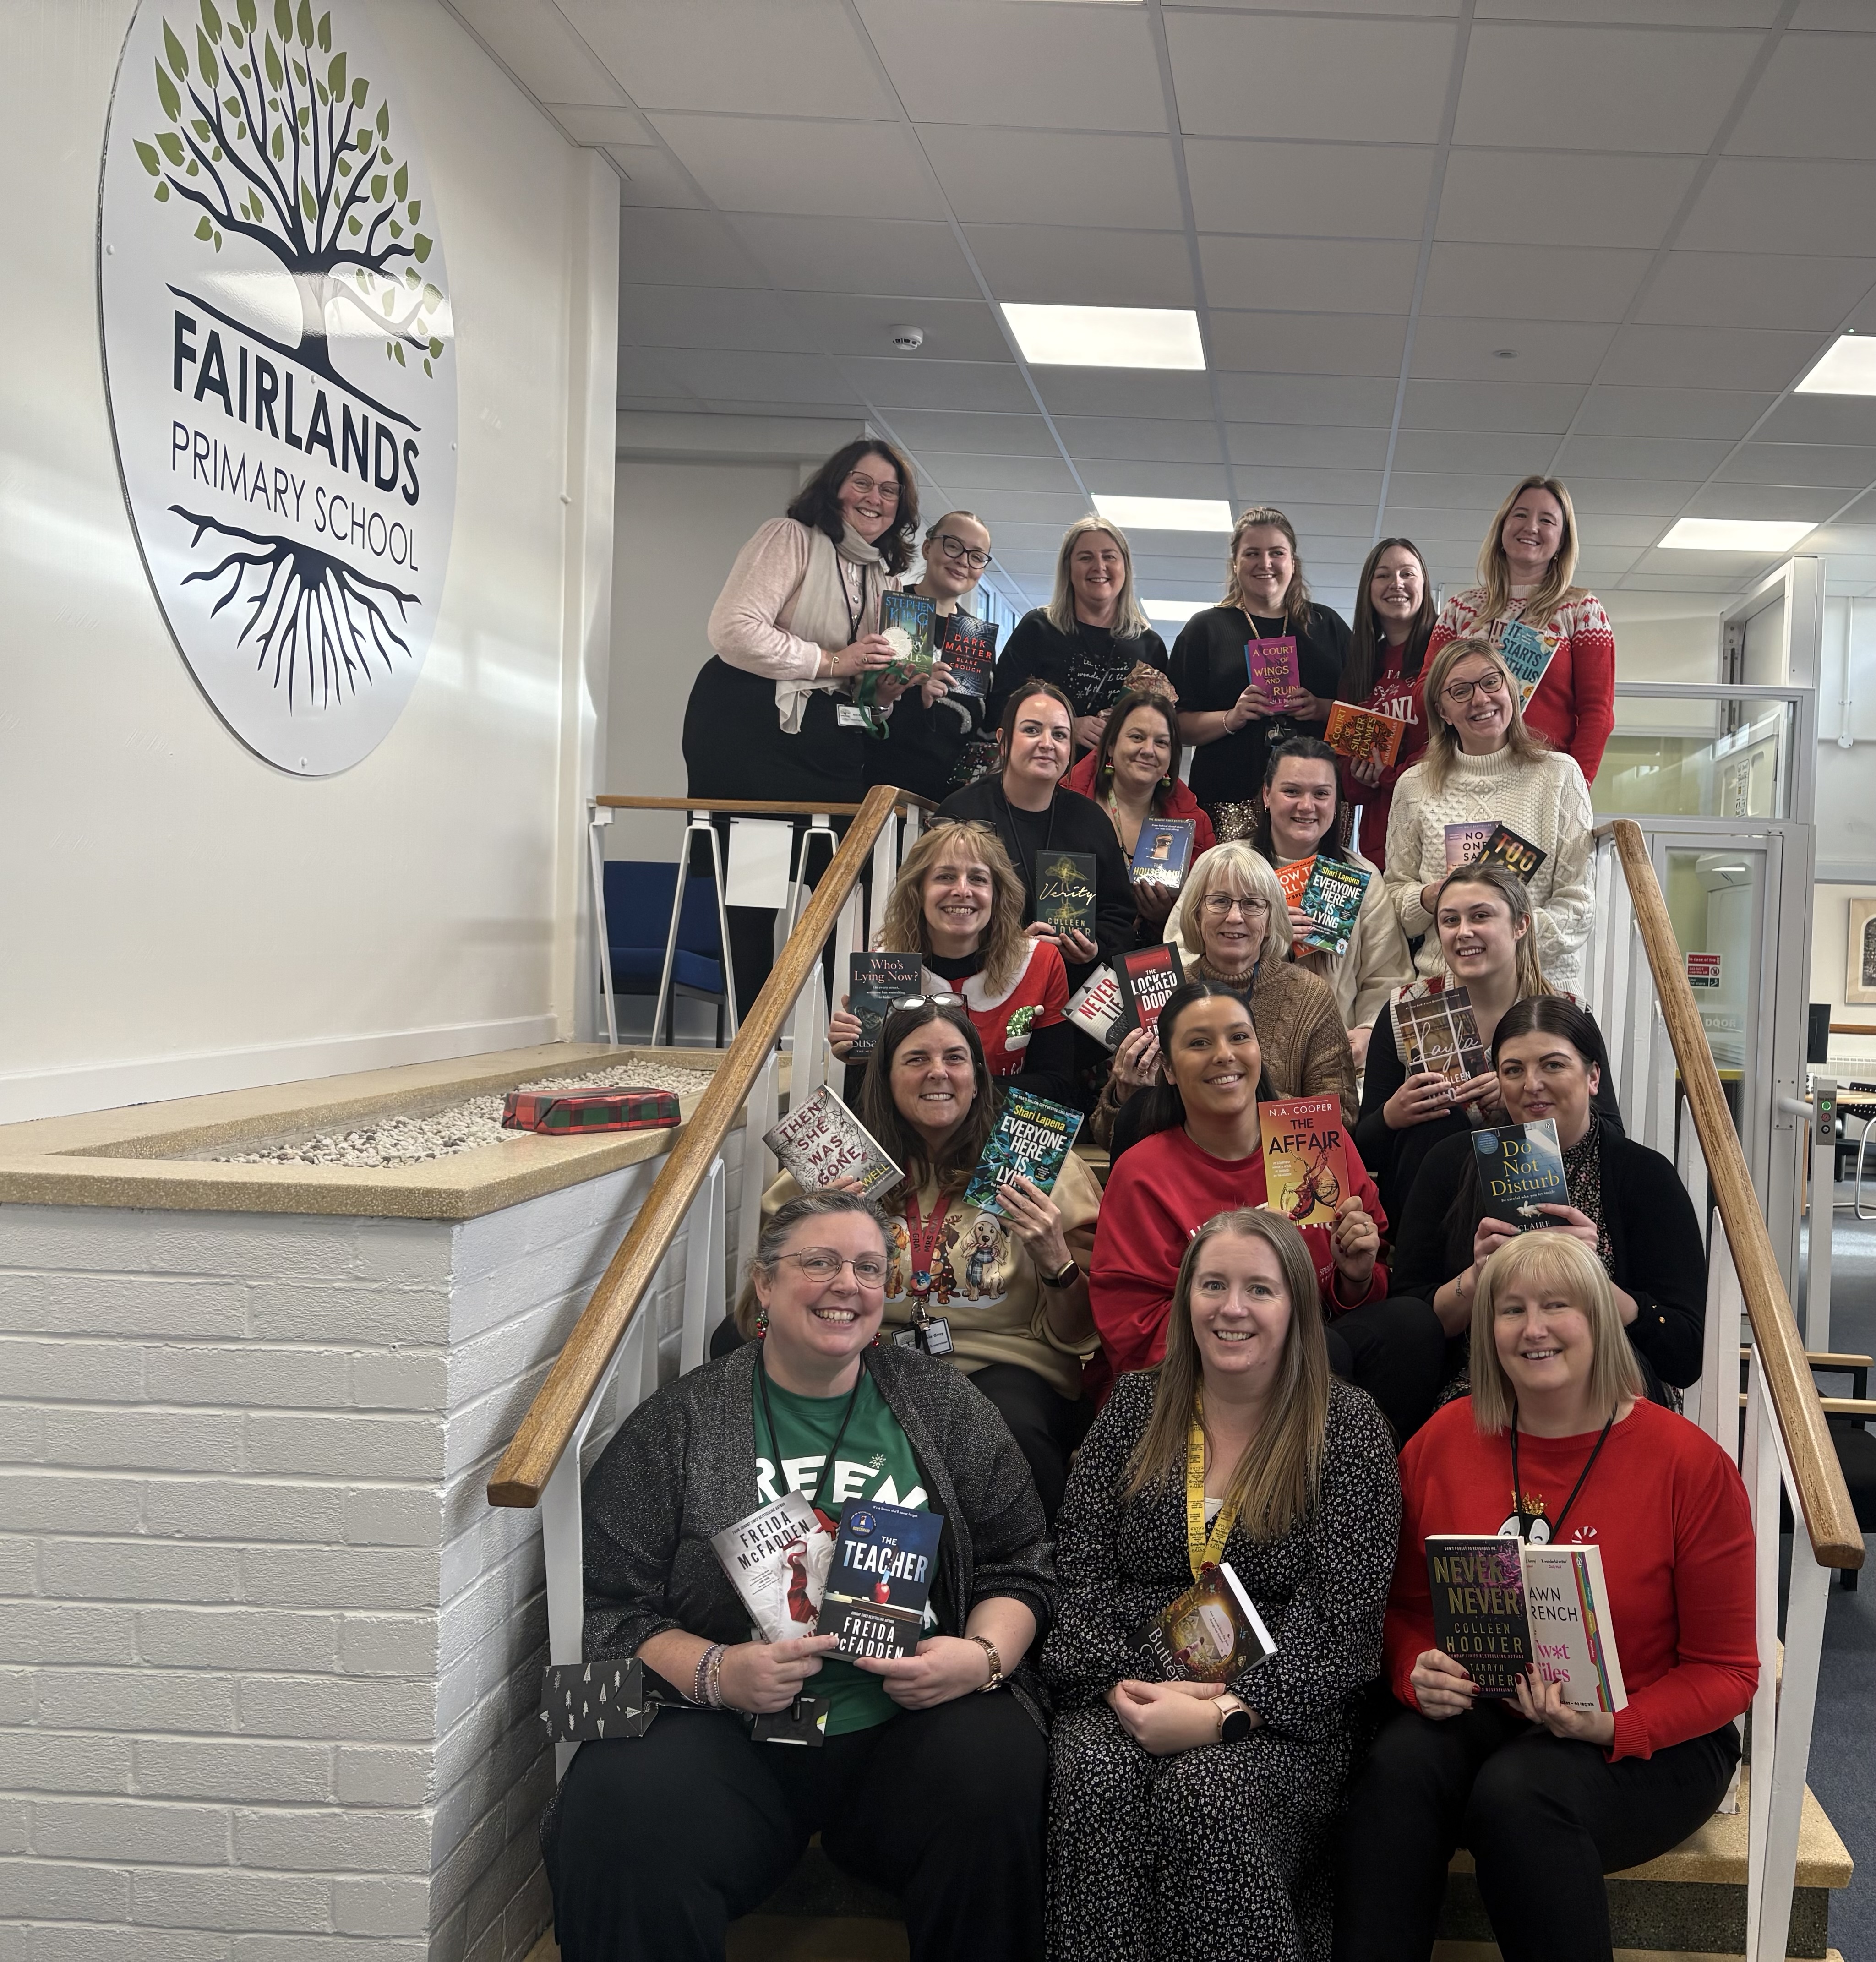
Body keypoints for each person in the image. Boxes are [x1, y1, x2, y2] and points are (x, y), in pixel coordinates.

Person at [545, 1190, 1053, 1962]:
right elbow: (610, 1608)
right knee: (613, 1799)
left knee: (997, 1763)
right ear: (765, 1283)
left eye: (869, 1268)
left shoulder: (945, 1404)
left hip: (906, 1731)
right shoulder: (680, 1421)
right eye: (819, 1261)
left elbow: (1020, 1561)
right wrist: (718, 1671)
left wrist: (981, 1658)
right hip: (728, 1736)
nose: (847, 1283)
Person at [1332, 1232, 1756, 1962]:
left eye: (1557, 1306)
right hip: (1489, 1705)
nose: (1533, 1329)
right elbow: (1400, 1610)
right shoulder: (1442, 1441)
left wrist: (1614, 1725)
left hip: (1654, 1735)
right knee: (1398, 1769)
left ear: (1598, 1319)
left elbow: (1729, 1671)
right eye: (1511, 1310)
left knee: (1519, 1796)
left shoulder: (1689, 1465)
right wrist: (1414, 1668)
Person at [1046, 1208, 1401, 1962]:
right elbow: (1077, 1566)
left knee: (1206, 1789)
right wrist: (1122, 1688)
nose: (1231, 1308)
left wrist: (1227, 1714)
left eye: (1258, 1289)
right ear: (1186, 1299)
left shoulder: (1347, 1427)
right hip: (1128, 1682)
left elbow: (1343, 1627)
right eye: (1212, 1285)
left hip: (1281, 1710)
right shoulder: (1135, 1407)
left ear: (1296, 1305)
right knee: (1094, 1775)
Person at [755, 1003, 1099, 1523]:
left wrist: (1056, 1260)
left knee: (1012, 1424)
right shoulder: (840, 1167)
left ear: (978, 1079)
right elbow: (761, 1307)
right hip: (864, 1355)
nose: (938, 1072)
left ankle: (1025, 1565)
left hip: (1001, 1366)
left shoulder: (1043, 1169)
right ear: (886, 1078)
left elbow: (1082, 1334)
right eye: (917, 1059)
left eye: (955, 1058)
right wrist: (815, 1238)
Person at [1089, 983, 1447, 1442]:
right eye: (1199, 1043)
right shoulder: (1142, 1174)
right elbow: (1131, 1332)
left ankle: (1373, 1475)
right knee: (1319, 1351)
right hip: (1202, 1372)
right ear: (1171, 1070)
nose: (1224, 1055)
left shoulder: (1315, 1138)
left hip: (1321, 1344)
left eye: (1239, 1037)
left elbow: (1365, 1288)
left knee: (1411, 1326)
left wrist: (1354, 1277)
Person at [685, 438, 926, 1010]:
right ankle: (751, 1046)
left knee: (852, 894)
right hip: (753, 733)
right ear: (835, 485)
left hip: (829, 741)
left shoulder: (886, 578)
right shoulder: (789, 537)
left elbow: (860, 688)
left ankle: (855, 1041)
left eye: (889, 490)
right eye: (862, 483)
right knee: (755, 900)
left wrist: (884, 693)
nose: (874, 498)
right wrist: (833, 661)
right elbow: (732, 631)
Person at [1389, 996, 1705, 1404]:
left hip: (1610, 1391)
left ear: (1593, 1077)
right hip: (1484, 1390)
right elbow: (1409, 1323)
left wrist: (1593, 1280)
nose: (1531, 1084)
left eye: (1553, 1065)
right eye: (1513, 1070)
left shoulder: (1645, 1176)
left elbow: (1684, 1353)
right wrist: (1477, 1277)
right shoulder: (1450, 1164)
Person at [1355, 862, 1621, 1226]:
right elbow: (1365, 1148)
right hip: (1430, 1219)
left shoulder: (1567, 1014)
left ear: (1520, 925)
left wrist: (1520, 1099)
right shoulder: (1405, 1009)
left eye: (1480, 916)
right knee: (1438, 1125)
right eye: (1450, 920)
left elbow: (1611, 1135)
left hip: (1537, 1212)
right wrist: (1392, 1115)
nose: (1464, 932)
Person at [1098, 841, 1358, 1140]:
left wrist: (1239, 1097)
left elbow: (1340, 1122)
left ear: (1271, 921)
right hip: (1180, 1165)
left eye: (1252, 904)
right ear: (1197, 915)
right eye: (1220, 902)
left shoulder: (1310, 996)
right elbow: (1107, 1138)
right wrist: (1125, 1097)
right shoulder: (1162, 990)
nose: (1235, 917)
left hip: (1275, 1166)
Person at [1383, 635, 1595, 994]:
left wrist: (1500, 937)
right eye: (1461, 691)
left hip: (1541, 989)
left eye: (1491, 682)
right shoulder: (1414, 786)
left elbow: (1579, 909)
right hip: (1445, 991)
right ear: (1442, 711)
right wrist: (1431, 897)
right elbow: (1393, 900)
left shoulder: (1560, 776)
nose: (1481, 699)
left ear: (1511, 689)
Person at [828, 821, 1076, 1106]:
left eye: (978, 879)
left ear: (997, 894)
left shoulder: (1040, 961)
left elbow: (1057, 1087)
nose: (962, 890)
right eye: (945, 877)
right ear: (918, 891)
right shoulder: (885, 967)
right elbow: (871, 1100)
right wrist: (857, 1059)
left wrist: (960, 1087)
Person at [935, 681, 1137, 989]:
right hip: (981, 981)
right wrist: (1011, 946)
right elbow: (935, 907)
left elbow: (1118, 915)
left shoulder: (1092, 820)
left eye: (1060, 735)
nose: (1047, 744)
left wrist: (1095, 950)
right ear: (1003, 741)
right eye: (1032, 730)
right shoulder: (962, 812)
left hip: (1070, 986)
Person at [1170, 507, 1352, 839]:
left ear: (1293, 562)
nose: (1265, 563)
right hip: (1228, 798)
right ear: (1235, 563)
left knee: (1312, 876)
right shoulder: (1205, 629)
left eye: (1277, 553)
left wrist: (1323, 709)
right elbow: (1176, 726)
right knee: (1232, 875)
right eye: (1252, 553)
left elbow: (1364, 715)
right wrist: (1232, 718)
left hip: (1315, 802)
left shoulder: (1327, 626)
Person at [1426, 475, 1616, 784]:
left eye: (1547, 520)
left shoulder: (1583, 611)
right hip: (1465, 777)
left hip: (1544, 780)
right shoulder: (1460, 609)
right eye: (1521, 515)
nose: (1531, 527)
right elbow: (1427, 694)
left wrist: (1576, 787)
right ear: (1502, 526)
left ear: (1562, 540)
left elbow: (1598, 713)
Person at [1249, 736, 1412, 1069]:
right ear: (1267, 795)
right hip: (1243, 1059)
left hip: (1334, 1063)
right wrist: (1260, 938)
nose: (1306, 806)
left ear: (1337, 803)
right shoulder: (1224, 867)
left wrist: (1369, 1031)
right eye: (1292, 791)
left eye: (1321, 794)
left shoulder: (1363, 876)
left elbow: (1388, 976)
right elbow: (1186, 956)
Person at [987, 517, 1170, 752]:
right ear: (1069, 568)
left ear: (1125, 567)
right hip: (1047, 768)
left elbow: (1163, 728)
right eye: (1086, 558)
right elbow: (1001, 708)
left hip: (1121, 773)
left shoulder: (1149, 645)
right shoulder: (1038, 628)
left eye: (1109, 557)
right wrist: (1066, 727)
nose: (1099, 566)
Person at [1063, 687, 1217, 947]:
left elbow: (1207, 918)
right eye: (1137, 737)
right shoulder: (1062, 806)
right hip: (1074, 954)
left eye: (1162, 743)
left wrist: (1166, 917)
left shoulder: (1196, 824)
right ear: (1110, 745)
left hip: (1158, 960)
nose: (1149, 750)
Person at [866, 511, 994, 804]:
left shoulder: (976, 636)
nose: (963, 561)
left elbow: (977, 723)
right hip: (884, 787)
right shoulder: (891, 608)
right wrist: (914, 695)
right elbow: (861, 700)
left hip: (950, 799)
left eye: (977, 556)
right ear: (927, 548)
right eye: (953, 546)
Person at [1336, 537, 1436, 869]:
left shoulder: (1446, 654)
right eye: (1383, 575)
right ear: (1368, 589)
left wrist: (1392, 775)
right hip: (1381, 840)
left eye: (1408, 573)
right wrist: (1360, 776)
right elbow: (1345, 769)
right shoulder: (1360, 666)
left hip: (1439, 828)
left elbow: (1460, 744)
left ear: (1424, 584)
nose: (1397, 583)